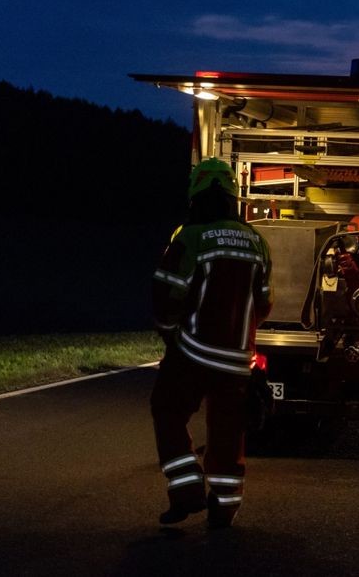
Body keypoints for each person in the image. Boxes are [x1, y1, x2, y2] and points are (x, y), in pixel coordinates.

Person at [150, 158, 272, 529]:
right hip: (237, 360)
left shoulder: (189, 236)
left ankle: (187, 492)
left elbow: (167, 292)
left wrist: (169, 331)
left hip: (192, 351)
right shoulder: (256, 241)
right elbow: (264, 302)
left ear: (196, 193)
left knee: (168, 409)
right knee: (227, 432)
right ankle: (224, 508)